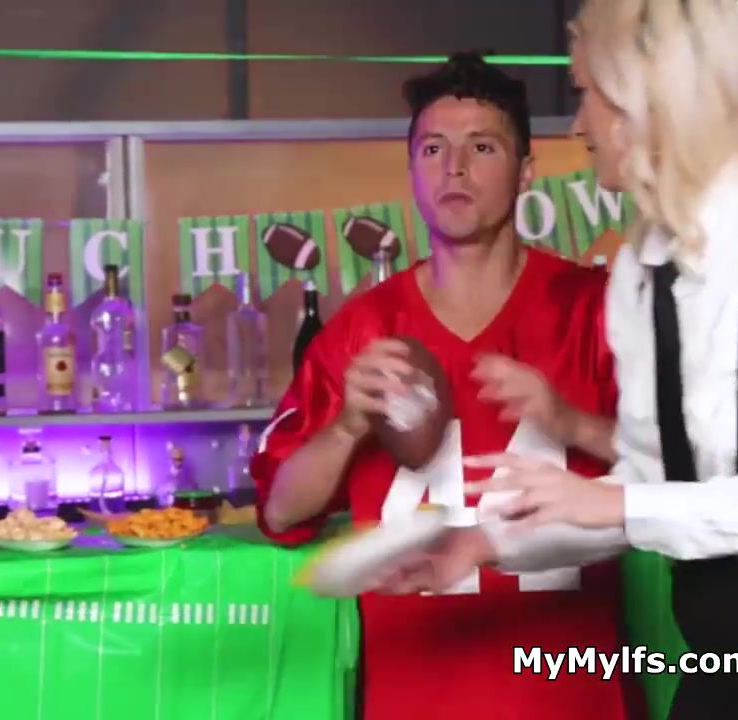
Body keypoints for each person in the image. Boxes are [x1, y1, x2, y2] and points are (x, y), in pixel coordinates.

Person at [394, 1, 738, 718]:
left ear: (647, 101)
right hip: (721, 652)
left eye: (587, 94)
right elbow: (649, 486)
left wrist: (620, 500)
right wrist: (481, 543)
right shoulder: (643, 270)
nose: (578, 126)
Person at [252, 52, 641, 719]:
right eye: (433, 148)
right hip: (414, 694)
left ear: (526, 172)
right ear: (411, 170)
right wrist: (348, 425)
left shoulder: (599, 309)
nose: (453, 167)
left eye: (481, 147)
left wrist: (572, 421)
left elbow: (681, 475)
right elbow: (281, 511)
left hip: (573, 694)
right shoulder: (361, 331)